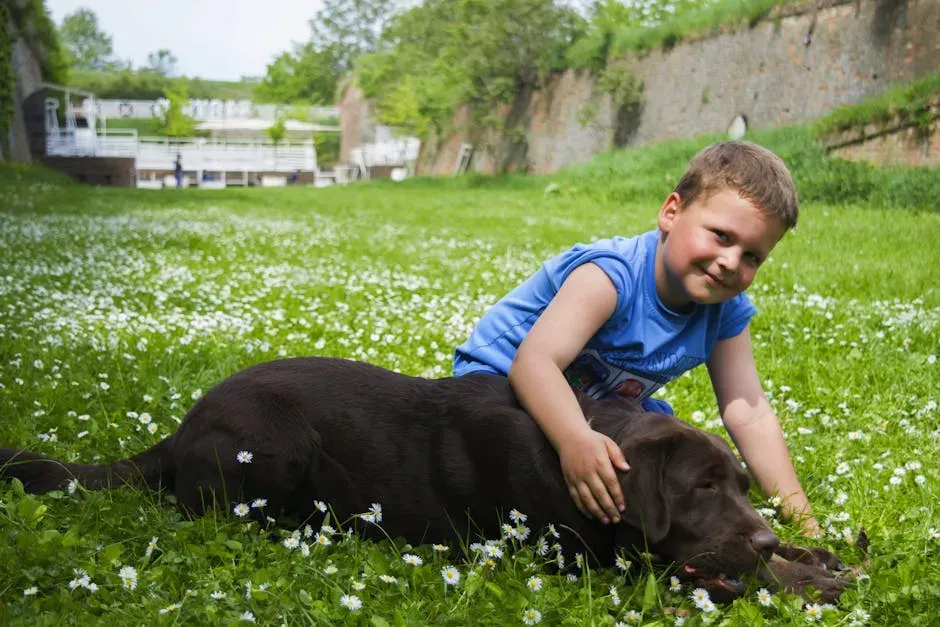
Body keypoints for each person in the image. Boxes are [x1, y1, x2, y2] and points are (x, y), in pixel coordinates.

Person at [454, 141, 821, 536]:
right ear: (671, 212)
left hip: (602, 405)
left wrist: (799, 514)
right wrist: (575, 439)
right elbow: (534, 364)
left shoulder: (726, 310)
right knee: (548, 466)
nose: (731, 262)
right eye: (721, 236)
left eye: (752, 257)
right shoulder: (610, 277)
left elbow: (748, 411)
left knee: (671, 456)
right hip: (501, 383)